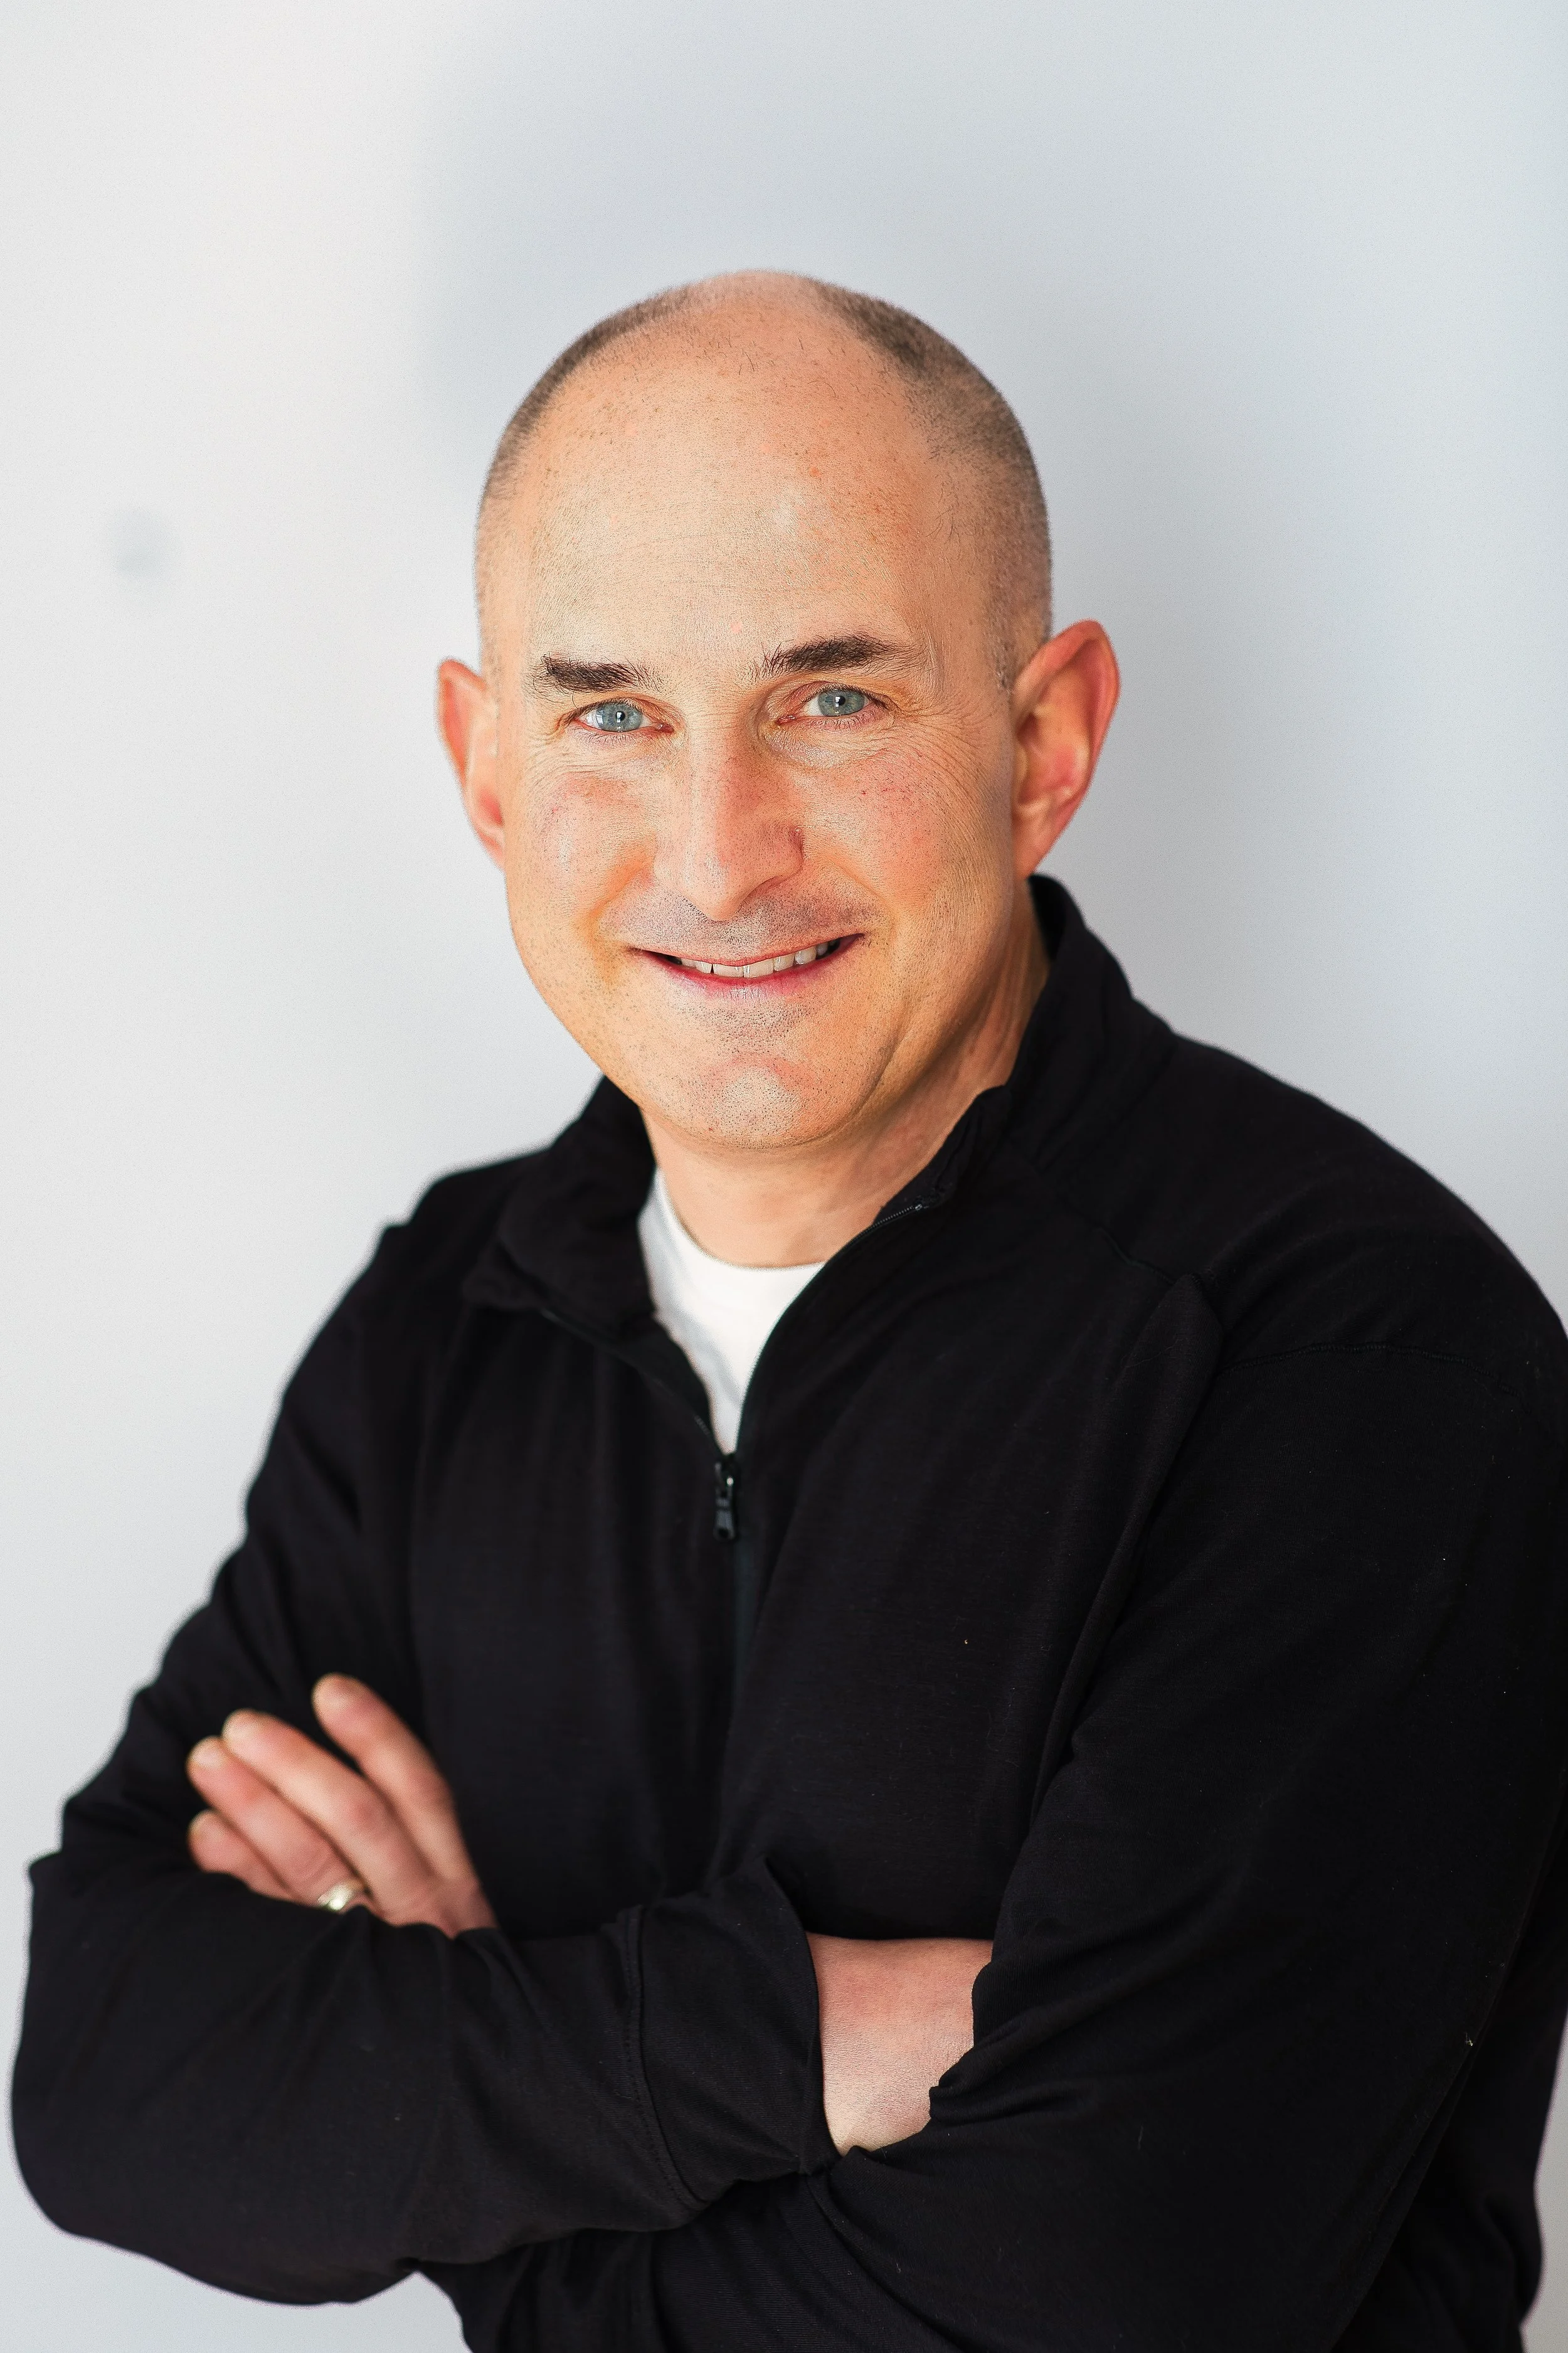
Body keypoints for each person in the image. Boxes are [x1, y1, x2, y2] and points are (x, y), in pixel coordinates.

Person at [14, 271, 1568, 2352]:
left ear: (1044, 739)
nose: (720, 852)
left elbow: (1104, 2299)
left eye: (832, 697)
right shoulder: (446, 1327)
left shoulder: (1357, 1354)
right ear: (485, 765)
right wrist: (800, 2033)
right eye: (612, 710)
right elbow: (112, 2074)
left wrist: (467, 2119)